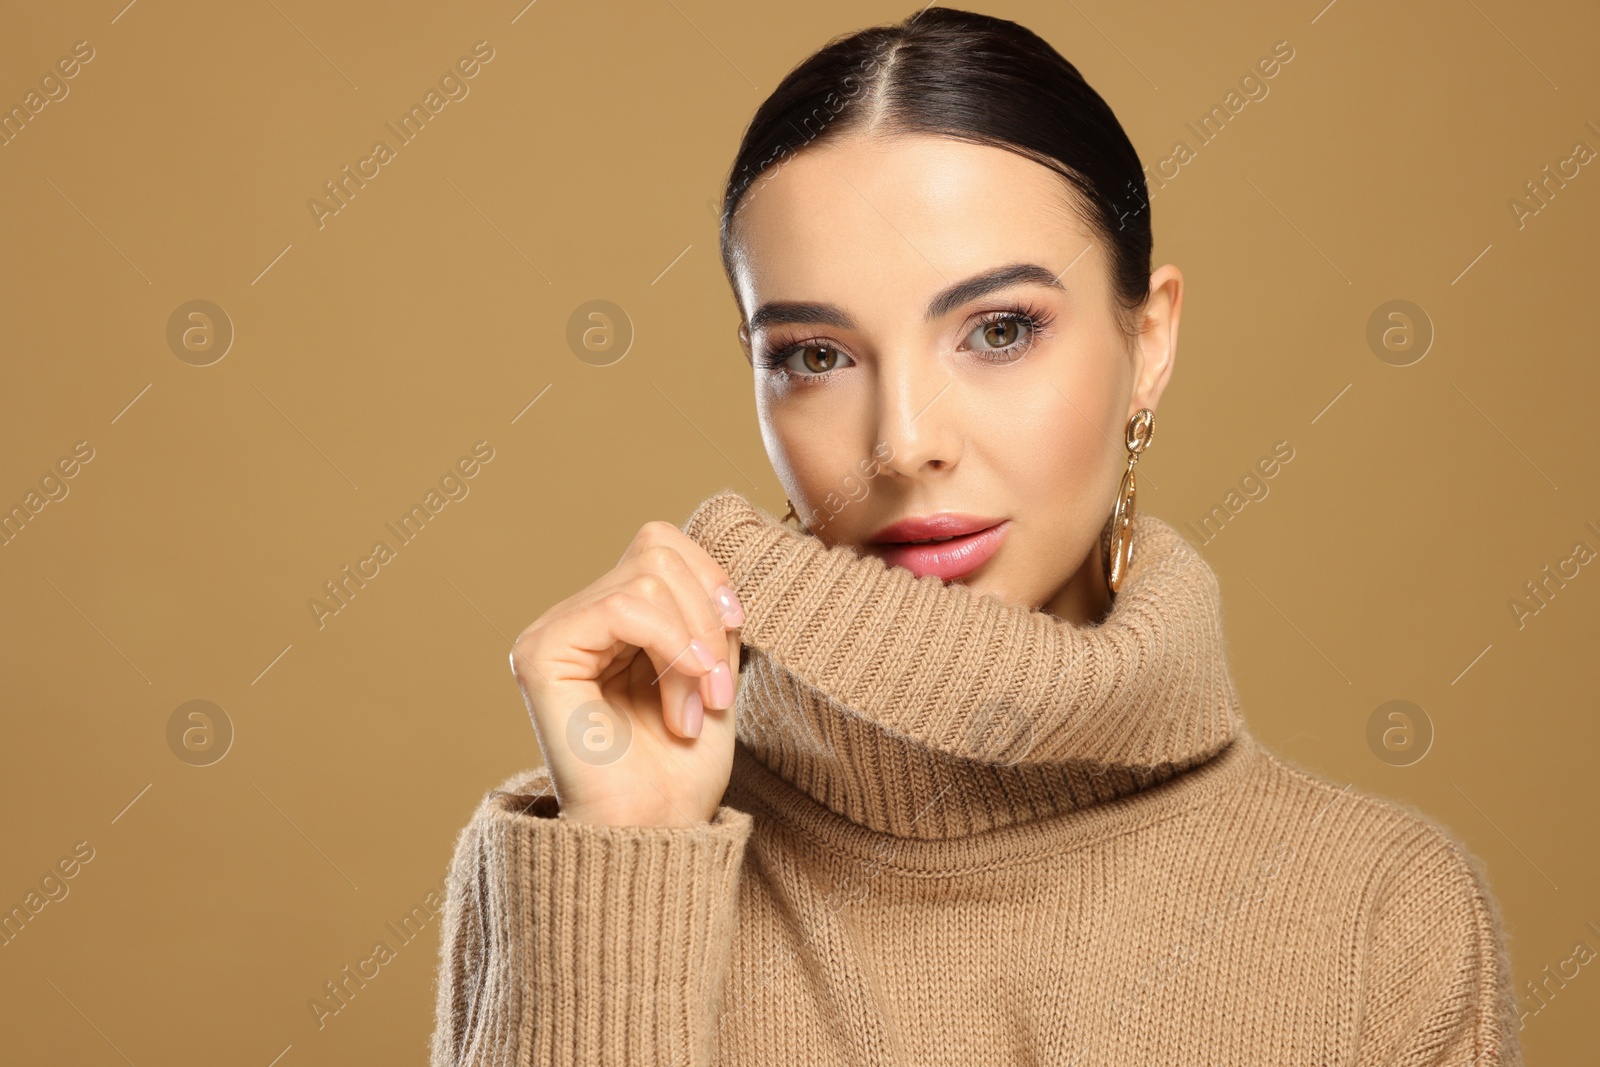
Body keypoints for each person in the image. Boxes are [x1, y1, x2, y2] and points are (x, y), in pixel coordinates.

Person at [429, 8, 1519, 1065]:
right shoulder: (574, 851)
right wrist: (631, 858)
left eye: (998, 331)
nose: (903, 443)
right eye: (813, 355)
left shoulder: (1381, 915)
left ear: (1149, 342)